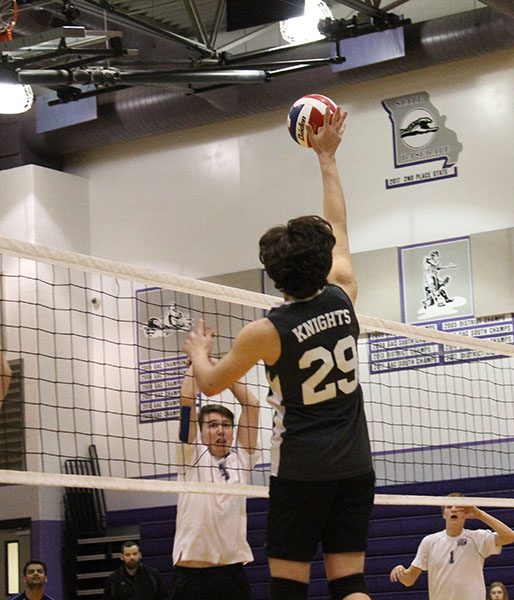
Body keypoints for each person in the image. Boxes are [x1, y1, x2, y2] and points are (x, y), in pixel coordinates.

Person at [182, 108, 376, 600]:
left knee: (288, 588)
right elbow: (339, 224)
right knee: (350, 585)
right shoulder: (344, 294)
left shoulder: (265, 331)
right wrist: (327, 159)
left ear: (274, 277)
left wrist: (199, 351)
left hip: (300, 473)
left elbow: (208, 384)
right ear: (323, 263)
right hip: (356, 465)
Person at [170, 365, 260, 600]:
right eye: (212, 425)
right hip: (193, 577)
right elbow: (187, 400)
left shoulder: (241, 459)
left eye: (226, 425)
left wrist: (223, 370)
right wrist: (197, 364)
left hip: (231, 574)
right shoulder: (189, 456)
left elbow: (251, 405)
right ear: (201, 432)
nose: (221, 430)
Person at [389, 493, 514, 600]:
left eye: (459, 507)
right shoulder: (429, 541)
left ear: (466, 512)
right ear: (444, 514)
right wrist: (402, 573)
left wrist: (479, 514)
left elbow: (510, 537)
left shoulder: (478, 538)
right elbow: (409, 580)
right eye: (449, 506)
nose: (454, 509)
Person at [103, 540, 168, 600]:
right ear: (122, 557)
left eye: (135, 554)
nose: (132, 557)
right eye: (128, 555)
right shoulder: (113, 580)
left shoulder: (153, 575)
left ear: (140, 555)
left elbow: (164, 597)